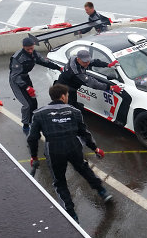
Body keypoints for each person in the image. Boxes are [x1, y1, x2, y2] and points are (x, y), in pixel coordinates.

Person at [27, 84, 113, 223]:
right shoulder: (74, 111)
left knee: (59, 181)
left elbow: (32, 137)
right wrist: (95, 149)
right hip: (73, 146)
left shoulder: (39, 114)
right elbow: (84, 133)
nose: (67, 98)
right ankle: (102, 191)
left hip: (53, 149)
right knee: (84, 169)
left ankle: (71, 212)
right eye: (67, 95)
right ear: (62, 96)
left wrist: (34, 156)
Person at [9, 37, 63, 135]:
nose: (30, 51)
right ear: (23, 47)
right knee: (27, 105)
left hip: (25, 78)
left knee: (33, 102)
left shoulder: (34, 53)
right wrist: (27, 87)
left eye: (31, 48)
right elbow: (15, 77)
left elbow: (44, 62)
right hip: (17, 80)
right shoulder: (18, 58)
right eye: (27, 49)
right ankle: (26, 125)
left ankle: (33, 122)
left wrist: (58, 68)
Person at [56, 50, 122, 111]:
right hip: (64, 88)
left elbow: (93, 62)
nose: (87, 63)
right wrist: (110, 87)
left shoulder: (75, 57)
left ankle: (75, 106)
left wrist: (107, 64)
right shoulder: (76, 72)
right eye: (85, 62)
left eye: (88, 61)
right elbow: (93, 83)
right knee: (68, 107)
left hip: (71, 85)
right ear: (78, 59)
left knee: (73, 100)